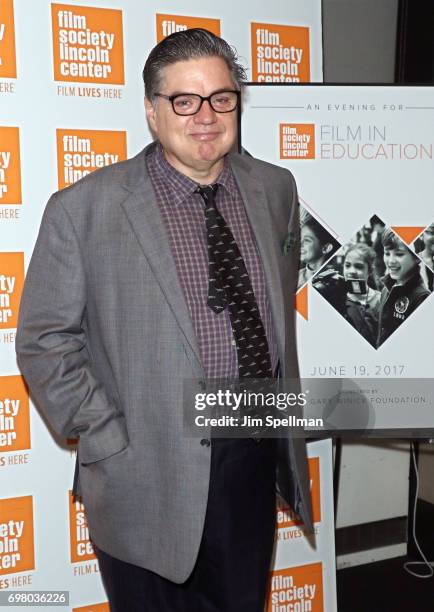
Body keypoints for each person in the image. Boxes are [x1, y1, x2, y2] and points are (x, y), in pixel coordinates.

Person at [16, 29, 312, 611]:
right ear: (153, 112)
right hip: (143, 471)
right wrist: (107, 435)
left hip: (251, 454)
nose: (206, 116)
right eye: (184, 101)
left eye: (221, 98)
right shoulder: (85, 208)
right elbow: (44, 339)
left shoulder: (276, 188)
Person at [312, 244, 381, 347]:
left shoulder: (381, 299)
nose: (351, 271)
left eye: (358, 266)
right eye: (347, 265)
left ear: (370, 271)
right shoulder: (336, 298)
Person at [377, 228, 431, 346]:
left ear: (417, 257)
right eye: (387, 253)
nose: (390, 261)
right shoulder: (385, 290)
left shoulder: (422, 298)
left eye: (399, 254)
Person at [297, 215, 339, 289]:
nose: (299, 243)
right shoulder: (295, 276)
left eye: (307, 240)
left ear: (326, 248)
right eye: (300, 238)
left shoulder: (335, 279)